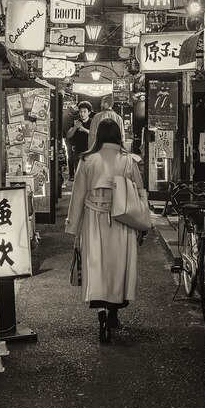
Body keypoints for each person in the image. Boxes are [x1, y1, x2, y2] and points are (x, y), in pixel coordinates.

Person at [65, 119, 144, 344]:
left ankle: (102, 317)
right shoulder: (128, 159)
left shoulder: (87, 159)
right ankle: (114, 313)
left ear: (97, 135)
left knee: (97, 265)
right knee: (117, 266)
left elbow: (78, 194)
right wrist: (142, 223)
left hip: (94, 218)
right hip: (123, 218)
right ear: (118, 135)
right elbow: (139, 191)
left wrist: (73, 226)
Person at [66, 100, 92, 175]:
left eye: (84, 112)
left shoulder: (92, 122)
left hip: (89, 150)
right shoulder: (76, 122)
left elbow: (94, 134)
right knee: (78, 172)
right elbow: (68, 135)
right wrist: (75, 128)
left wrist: (83, 129)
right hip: (78, 151)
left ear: (89, 112)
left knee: (89, 173)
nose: (82, 114)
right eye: (80, 112)